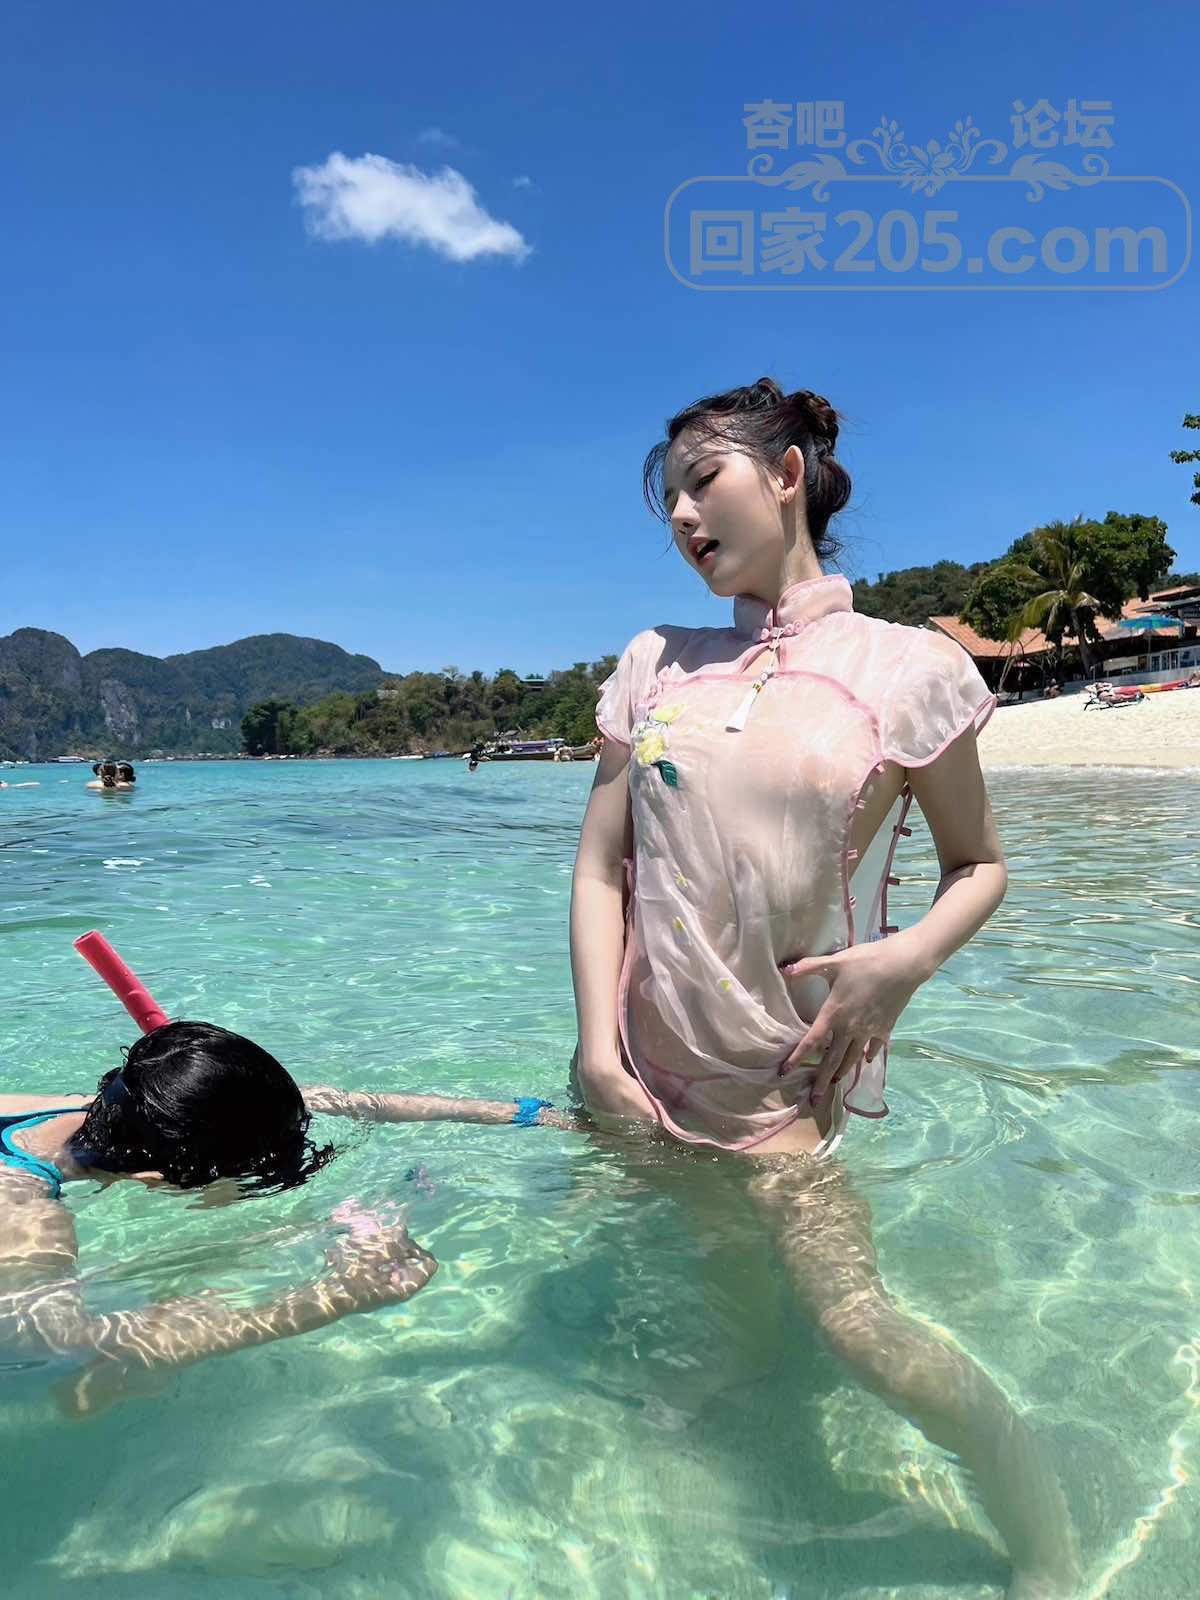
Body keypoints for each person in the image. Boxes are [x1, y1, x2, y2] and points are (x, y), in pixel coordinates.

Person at [568, 377, 1077, 1596]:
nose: (682, 515)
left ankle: (1047, 1545)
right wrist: (595, 1052)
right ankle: (737, 1415)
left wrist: (903, 962)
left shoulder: (907, 667)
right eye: (669, 497)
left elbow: (979, 865)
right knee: (716, 1286)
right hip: (637, 1073)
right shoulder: (652, 662)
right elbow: (599, 868)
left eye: (704, 480)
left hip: (782, 1082)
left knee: (863, 1332)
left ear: (787, 473)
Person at [1, 1020, 573, 1413]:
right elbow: (64, 1349)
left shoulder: (125, 1102)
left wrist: (528, 1115)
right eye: (244, 1184)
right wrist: (337, 1296)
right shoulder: (28, 1215)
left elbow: (348, 1102)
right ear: (153, 1179)